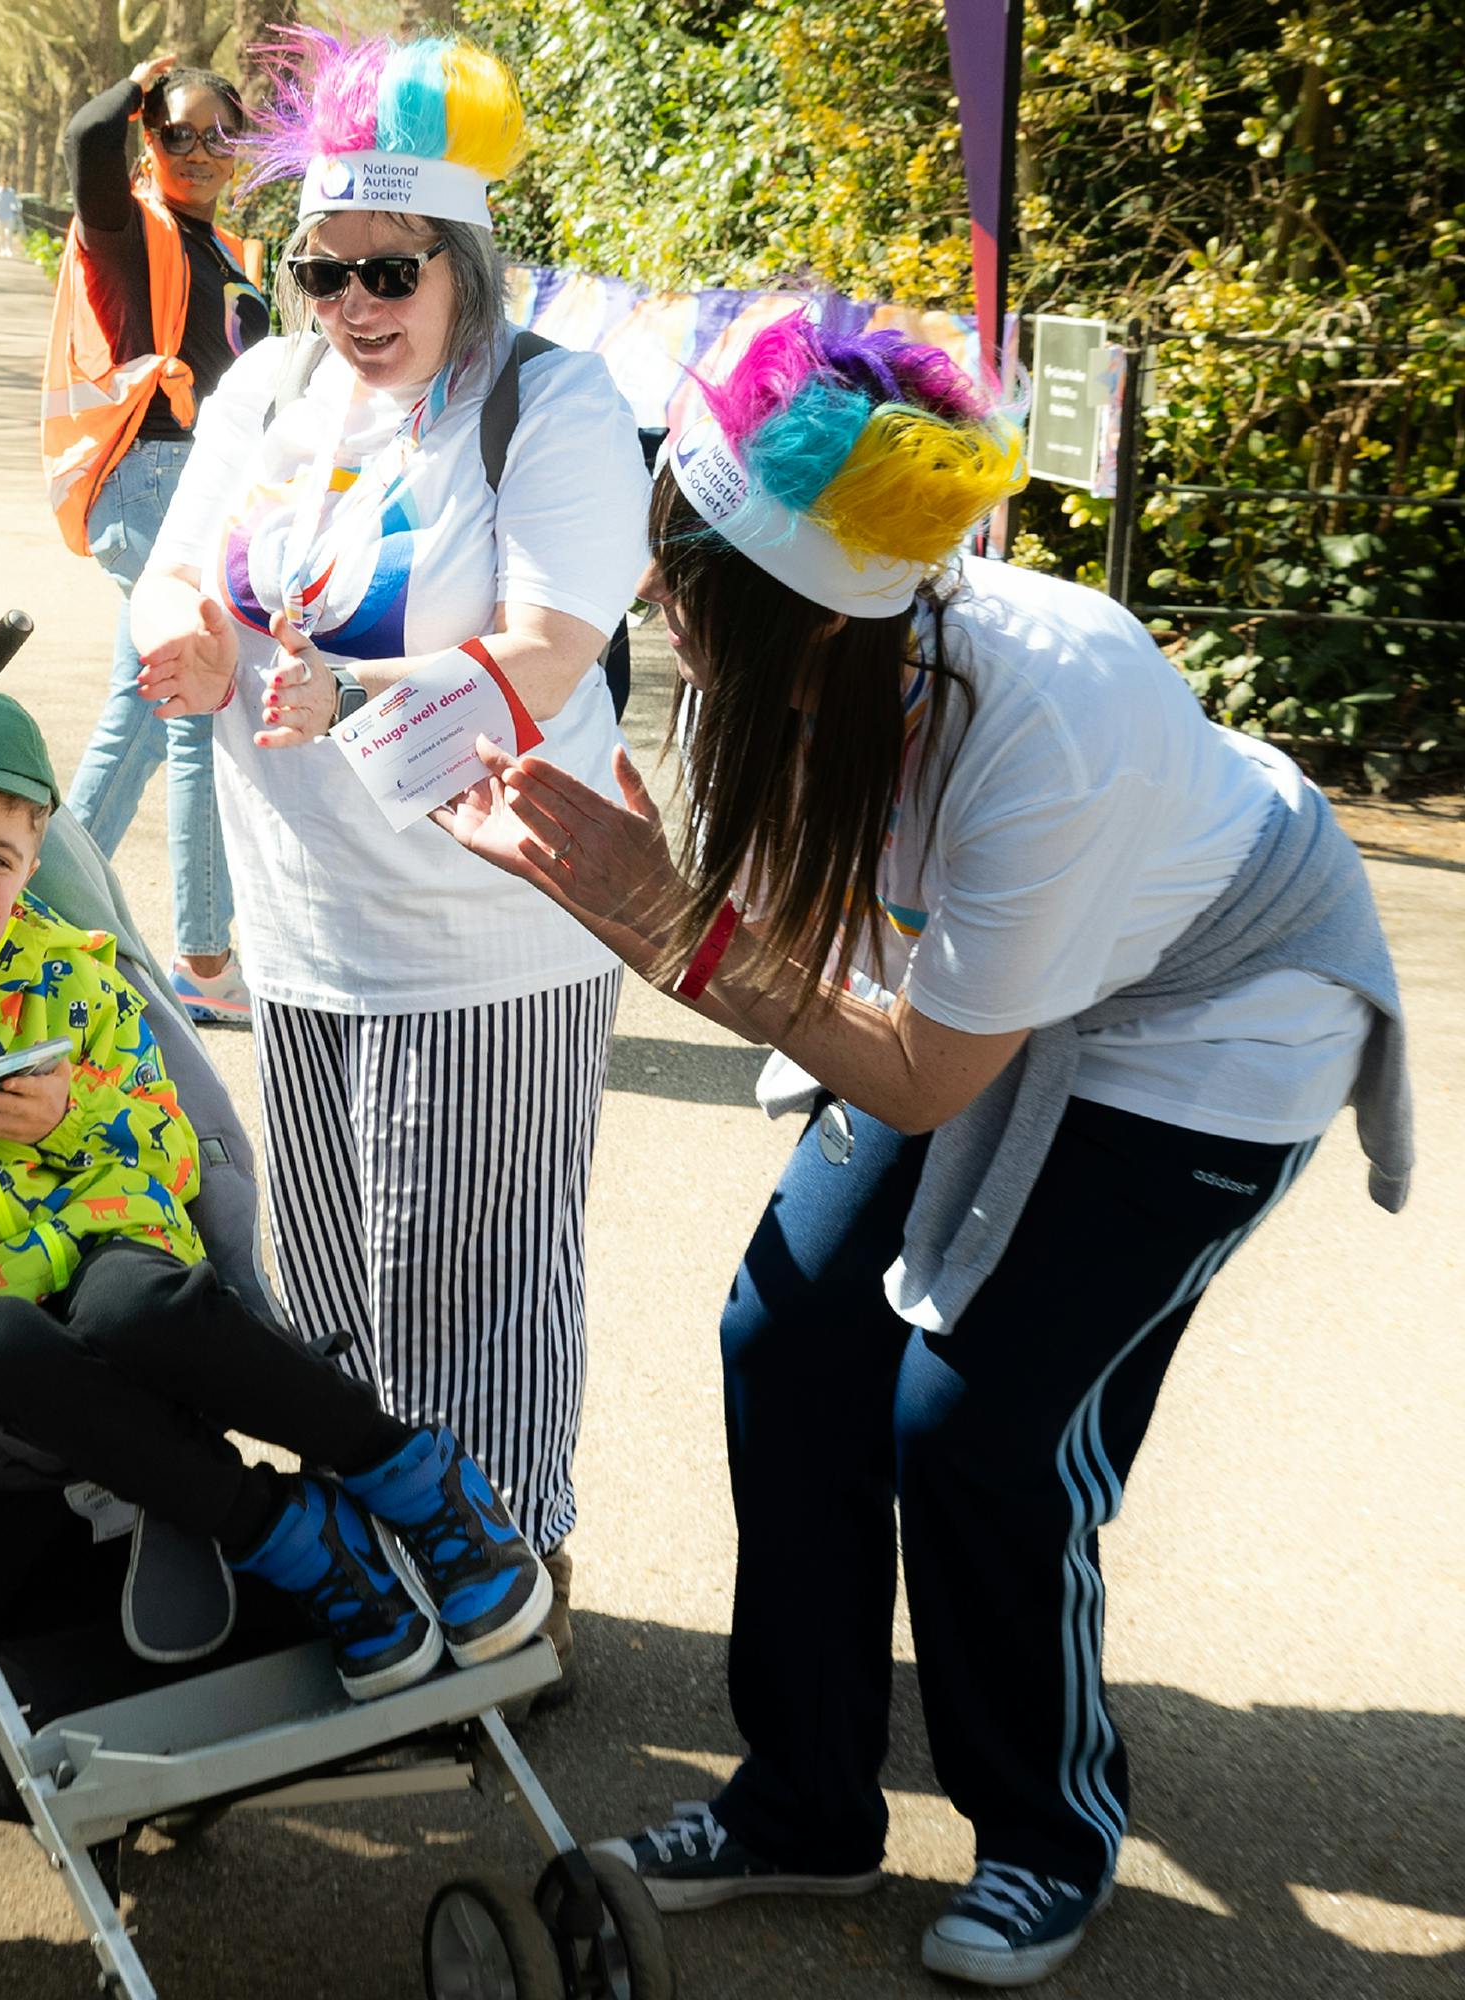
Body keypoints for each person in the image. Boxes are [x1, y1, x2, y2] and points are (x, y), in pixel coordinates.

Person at [430, 314, 1412, 1983]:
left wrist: (668, 925)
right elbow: (852, 956)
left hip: (1213, 1019)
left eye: (679, 577)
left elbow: (919, 1082)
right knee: (788, 1335)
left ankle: (1046, 1831)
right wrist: (668, 890)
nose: (655, 604)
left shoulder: (1049, 720)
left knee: (980, 1428)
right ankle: (802, 1801)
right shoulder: (786, 669)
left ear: (788, 616)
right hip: (994, 1009)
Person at [0, 685, 552, 1699]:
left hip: (107, 1272)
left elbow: (171, 1155)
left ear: (32, 861)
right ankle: (288, 1535)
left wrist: (66, 1120)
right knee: (7, 1340)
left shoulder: (67, 970)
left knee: (134, 1298)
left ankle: (413, 1473)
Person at [124, 31, 649, 1682]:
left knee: (476, 1282)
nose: (351, 299)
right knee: (337, 1292)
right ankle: (387, 1581)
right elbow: (183, 578)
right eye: (320, 265)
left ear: (462, 262)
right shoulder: (275, 384)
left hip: (492, 927)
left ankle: (510, 1594)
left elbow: (554, 645)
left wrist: (345, 684)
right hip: (307, 924)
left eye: (386, 270)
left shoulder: (546, 402)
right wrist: (184, 645)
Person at [50, 51, 270, 1024]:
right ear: (148, 134)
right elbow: (83, 142)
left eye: (217, 134)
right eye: (173, 131)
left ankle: (32, 914)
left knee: (136, 715)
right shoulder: (129, 232)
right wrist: (142, 80)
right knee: (199, 715)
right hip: (151, 483)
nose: (196, 151)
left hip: (197, 489)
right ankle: (201, 957)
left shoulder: (219, 244)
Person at [0, 177, 20, 256]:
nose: (4, 184)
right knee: (1, 233)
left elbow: (15, 202)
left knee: (8, 233)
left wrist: (17, 210)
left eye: (5, 182)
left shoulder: (11, 191)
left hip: (9, 215)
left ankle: (8, 248)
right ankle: (2, 248)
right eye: (2, 182)